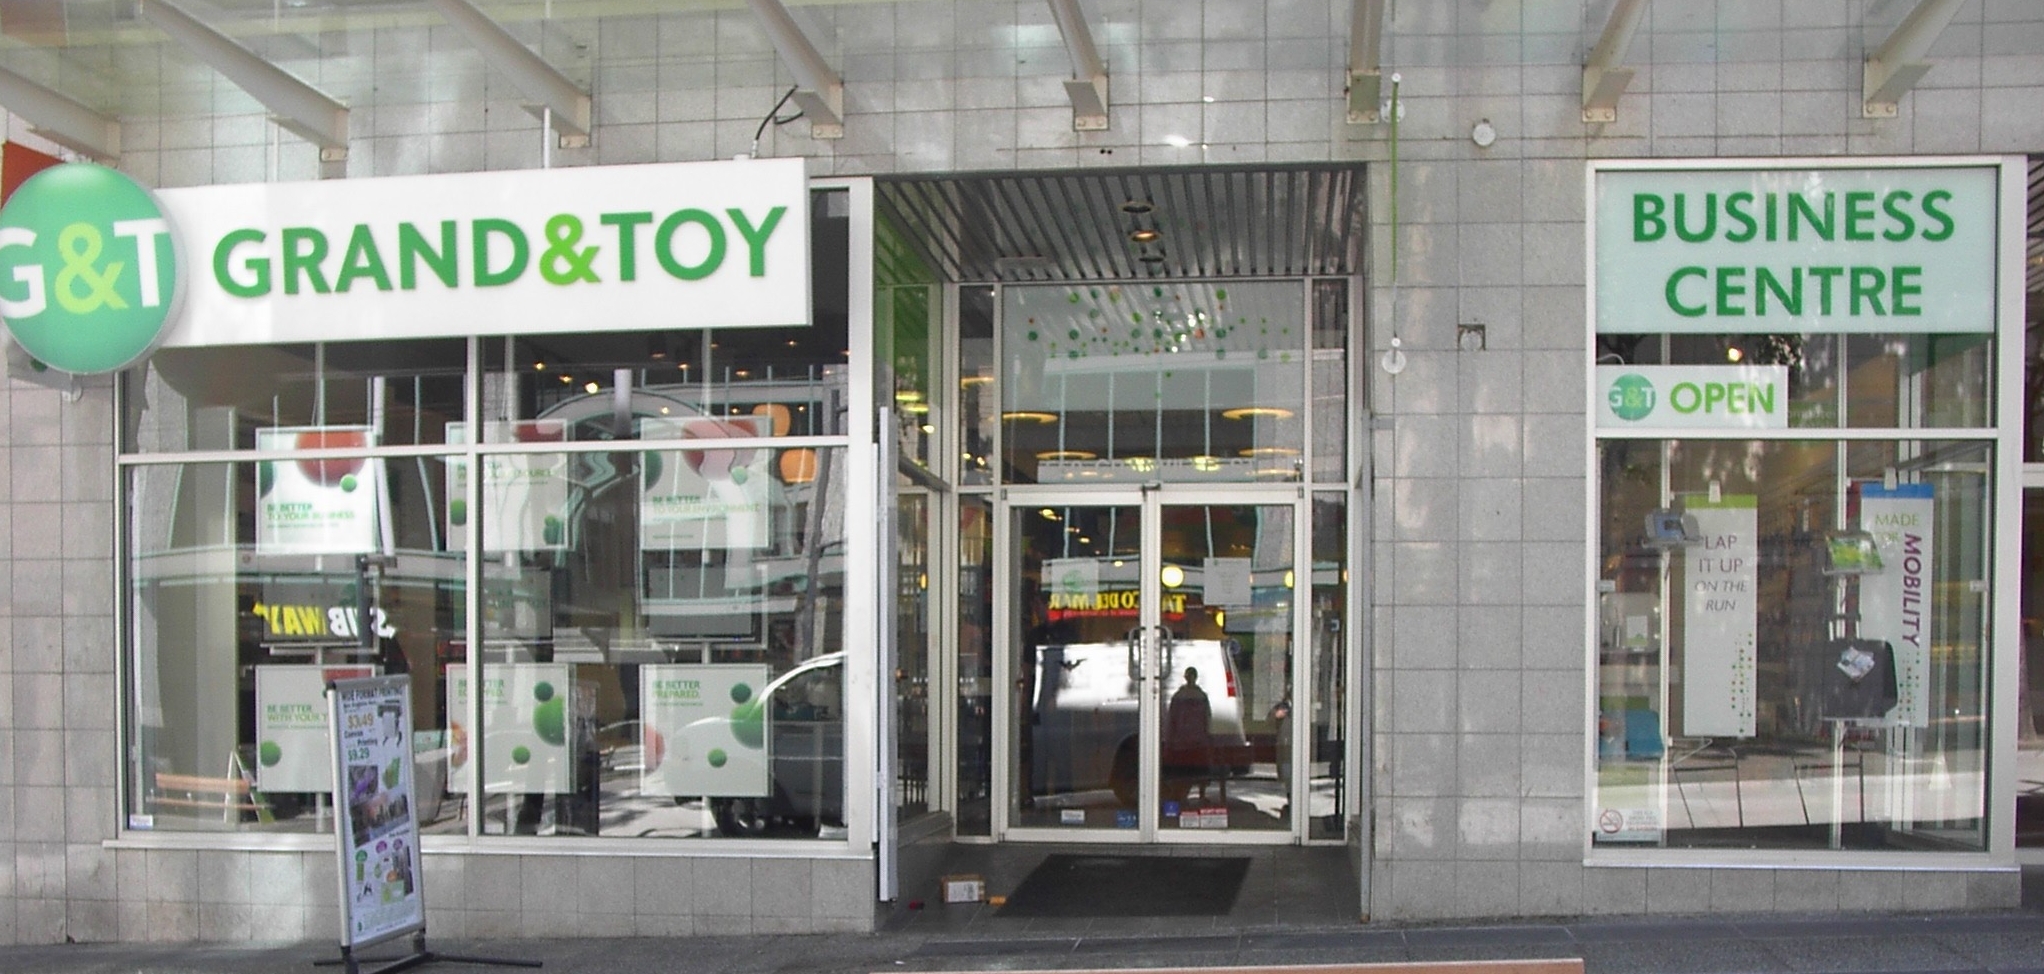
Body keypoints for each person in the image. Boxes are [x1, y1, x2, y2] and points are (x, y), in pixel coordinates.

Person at [1164, 667, 1215, 802]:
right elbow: (1173, 718)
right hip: (1190, 740)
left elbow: (1206, 718)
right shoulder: (1199, 696)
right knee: (1193, 770)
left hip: (1189, 740)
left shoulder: (1182, 696)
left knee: (1190, 770)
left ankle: (1191, 795)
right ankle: (1189, 796)